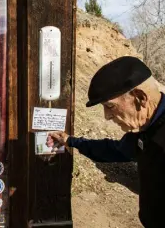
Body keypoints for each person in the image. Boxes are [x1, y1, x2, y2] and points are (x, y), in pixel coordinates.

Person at [46, 56, 165, 228]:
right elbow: (115, 150)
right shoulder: (146, 127)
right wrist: (70, 141)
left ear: (140, 98)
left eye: (110, 107)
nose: (107, 117)